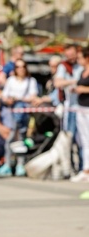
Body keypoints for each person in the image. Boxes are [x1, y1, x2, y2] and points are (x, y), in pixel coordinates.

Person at [0, 59, 39, 177]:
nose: (20, 69)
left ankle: (20, 164)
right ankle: (7, 163)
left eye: (23, 66)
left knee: (21, 138)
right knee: (10, 138)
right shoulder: (11, 80)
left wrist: (18, 98)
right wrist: (10, 99)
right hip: (11, 114)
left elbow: (32, 97)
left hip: (23, 114)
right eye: (18, 67)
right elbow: (4, 96)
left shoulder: (31, 81)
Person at [54, 44, 84, 173]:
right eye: (68, 55)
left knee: (83, 139)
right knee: (69, 139)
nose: (71, 58)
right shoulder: (64, 67)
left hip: (83, 107)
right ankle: (70, 168)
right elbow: (58, 83)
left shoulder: (83, 65)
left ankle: (84, 167)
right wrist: (74, 82)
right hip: (71, 108)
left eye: (72, 55)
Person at [70, 48, 89, 182]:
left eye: (80, 57)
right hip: (81, 109)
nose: (78, 60)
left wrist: (84, 89)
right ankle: (86, 169)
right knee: (84, 140)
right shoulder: (82, 71)